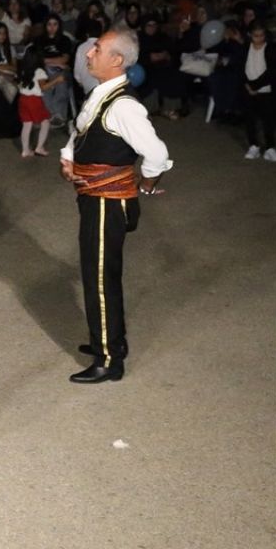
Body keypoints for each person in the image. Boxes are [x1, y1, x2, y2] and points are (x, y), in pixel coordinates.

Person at [60, 30, 173, 383]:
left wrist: (147, 183)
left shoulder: (124, 105)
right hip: (95, 199)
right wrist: (69, 158)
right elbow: (82, 130)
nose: (89, 53)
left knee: (99, 278)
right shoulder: (102, 93)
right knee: (98, 274)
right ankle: (110, 340)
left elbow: (156, 154)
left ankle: (109, 359)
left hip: (109, 203)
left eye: (97, 49)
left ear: (117, 61)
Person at [241, 23, 276, 162]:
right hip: (247, 89)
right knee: (249, 118)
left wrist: (255, 86)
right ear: (251, 35)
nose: (259, 38)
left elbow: (272, 72)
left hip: (265, 90)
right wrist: (248, 86)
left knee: (268, 119)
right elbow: (240, 68)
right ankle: (254, 145)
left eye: (261, 35)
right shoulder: (245, 48)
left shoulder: (270, 49)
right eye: (256, 36)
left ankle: (270, 148)